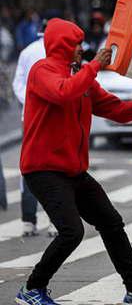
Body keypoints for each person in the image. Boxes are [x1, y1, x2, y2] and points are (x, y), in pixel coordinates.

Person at [16, 18, 132, 305]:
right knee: (71, 231)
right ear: (63, 45)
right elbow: (63, 92)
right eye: (77, 44)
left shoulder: (81, 77)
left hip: (74, 170)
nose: (82, 48)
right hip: (44, 169)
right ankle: (31, 289)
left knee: (111, 223)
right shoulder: (43, 71)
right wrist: (94, 66)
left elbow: (118, 109)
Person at [12, 21, 58, 237]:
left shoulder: (27, 51)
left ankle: (28, 221)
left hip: (29, 118)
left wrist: (29, 101)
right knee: (55, 169)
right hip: (54, 119)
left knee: (29, 168)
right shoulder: (58, 54)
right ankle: (54, 221)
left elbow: (18, 83)